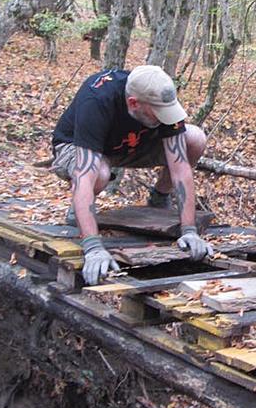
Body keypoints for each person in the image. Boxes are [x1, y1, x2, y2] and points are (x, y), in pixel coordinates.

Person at [51, 65, 214, 285]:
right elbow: (84, 176)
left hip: (130, 145)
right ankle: (78, 211)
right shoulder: (98, 99)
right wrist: (93, 247)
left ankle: (159, 198)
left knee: (194, 139)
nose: (165, 117)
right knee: (98, 174)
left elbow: (181, 168)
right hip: (77, 148)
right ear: (134, 103)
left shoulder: (158, 94)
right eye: (158, 112)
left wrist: (189, 230)